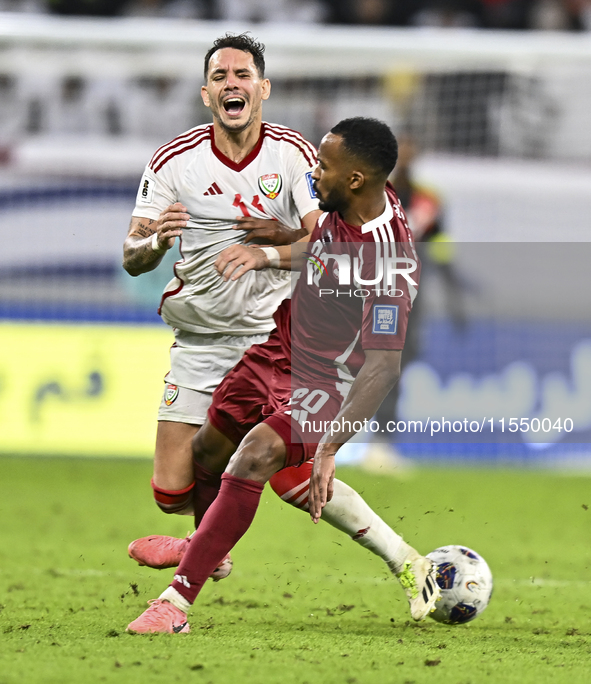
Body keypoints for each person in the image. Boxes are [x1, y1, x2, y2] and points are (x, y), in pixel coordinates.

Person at [123, 34, 433, 589]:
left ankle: (403, 557)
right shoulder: (174, 162)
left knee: (280, 464)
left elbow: (331, 236)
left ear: (262, 88)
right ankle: (205, 542)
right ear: (206, 94)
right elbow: (132, 255)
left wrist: (272, 248)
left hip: (275, 336)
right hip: (199, 339)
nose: (231, 84)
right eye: (220, 77)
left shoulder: (295, 156)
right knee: (173, 490)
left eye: (242, 75)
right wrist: (151, 246)